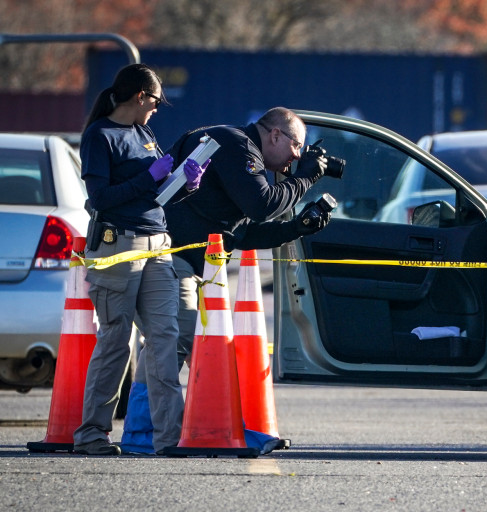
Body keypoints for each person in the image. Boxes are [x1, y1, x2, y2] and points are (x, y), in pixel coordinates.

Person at [122, 107, 334, 452]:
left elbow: (240, 233)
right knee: (186, 339)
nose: (297, 158)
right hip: (168, 260)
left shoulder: (234, 149)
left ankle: (141, 433)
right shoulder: (235, 146)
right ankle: (175, 434)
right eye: (297, 147)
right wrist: (307, 179)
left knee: (166, 345)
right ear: (275, 135)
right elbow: (263, 205)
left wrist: (297, 227)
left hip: (181, 262)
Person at [73, 64, 208, 456]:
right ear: (138, 97)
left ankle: (171, 439)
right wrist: (151, 177)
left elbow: (159, 193)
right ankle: (92, 436)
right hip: (119, 245)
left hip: (157, 243)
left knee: (164, 338)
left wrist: (185, 184)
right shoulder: (100, 136)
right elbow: (101, 199)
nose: (156, 109)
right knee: (116, 341)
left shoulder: (144, 133)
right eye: (154, 101)